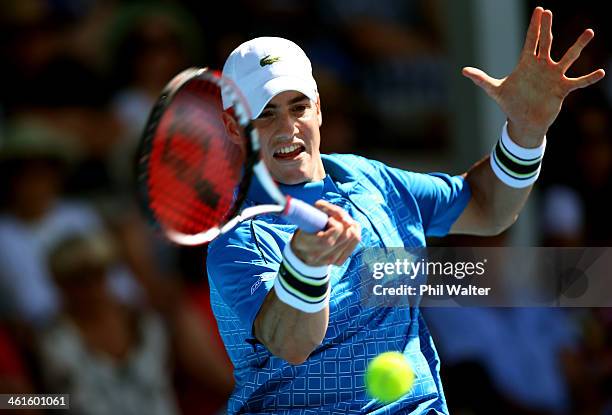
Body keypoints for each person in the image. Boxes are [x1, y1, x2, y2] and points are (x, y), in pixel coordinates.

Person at [206, 8, 605, 414]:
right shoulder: (239, 235)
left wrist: (525, 131)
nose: (288, 127)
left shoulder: (368, 178)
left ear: (319, 108)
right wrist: (307, 264)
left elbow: (488, 209)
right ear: (234, 127)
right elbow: (290, 343)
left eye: (298, 106)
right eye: (266, 113)